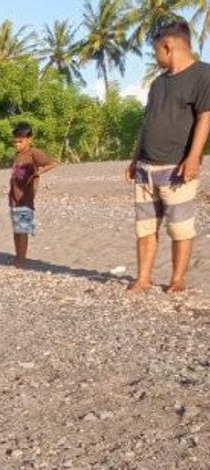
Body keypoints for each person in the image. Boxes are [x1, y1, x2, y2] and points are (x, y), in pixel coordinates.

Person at [126, 16, 210, 294]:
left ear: (167, 47)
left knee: (180, 228)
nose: (154, 56)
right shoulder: (158, 83)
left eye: (154, 51)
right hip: (146, 168)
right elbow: (147, 122)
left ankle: (177, 279)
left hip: (177, 167)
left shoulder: (203, 75)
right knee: (145, 227)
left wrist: (194, 156)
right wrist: (135, 157)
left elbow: (205, 117)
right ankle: (143, 278)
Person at [8, 122, 57, 268]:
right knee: (16, 230)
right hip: (14, 198)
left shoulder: (33, 153)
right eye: (15, 141)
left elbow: (52, 163)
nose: (17, 144)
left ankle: (21, 259)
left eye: (20, 141)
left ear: (29, 140)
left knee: (22, 230)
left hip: (25, 198)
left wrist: (36, 174)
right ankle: (17, 256)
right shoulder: (18, 155)